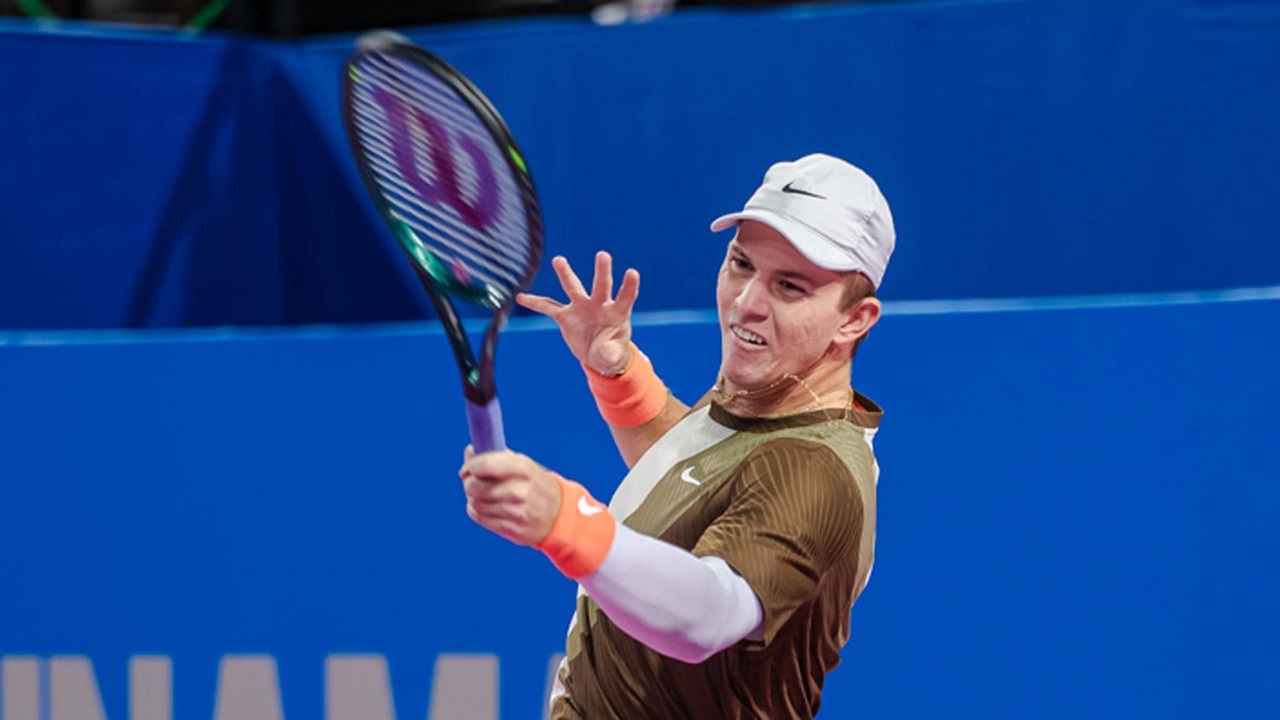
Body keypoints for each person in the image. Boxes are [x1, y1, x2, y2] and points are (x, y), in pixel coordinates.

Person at [459, 153, 895, 719]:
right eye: (741, 264)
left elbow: (708, 615)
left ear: (854, 319)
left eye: (789, 287)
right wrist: (619, 378)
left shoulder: (816, 471)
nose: (747, 304)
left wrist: (565, 520)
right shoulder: (771, 396)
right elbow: (699, 477)